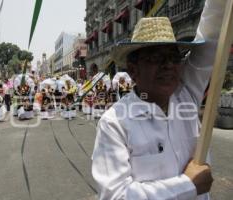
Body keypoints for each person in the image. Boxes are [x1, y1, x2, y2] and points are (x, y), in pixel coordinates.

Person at [92, 0, 225, 199]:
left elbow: (213, 32)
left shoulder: (186, 93)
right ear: (133, 70)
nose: (168, 65)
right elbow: (116, 195)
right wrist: (188, 185)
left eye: (174, 57)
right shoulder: (114, 123)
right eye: (156, 58)